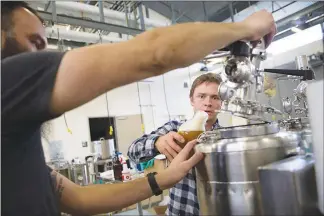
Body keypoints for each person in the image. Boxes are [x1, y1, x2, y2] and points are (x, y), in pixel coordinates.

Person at [1, 1, 276, 215]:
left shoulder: (16, 141)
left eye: (215, 98)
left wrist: (162, 179)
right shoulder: (6, 80)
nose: (42, 56)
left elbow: (79, 200)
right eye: (35, 43)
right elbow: (156, 53)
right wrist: (245, 28)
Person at [128, 72, 223, 215]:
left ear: (222, 103)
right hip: (179, 210)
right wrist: (156, 142)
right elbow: (133, 151)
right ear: (192, 100)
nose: (208, 103)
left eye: (215, 97)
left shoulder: (227, 138)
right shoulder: (174, 129)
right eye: (201, 96)